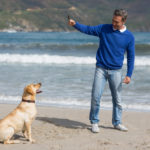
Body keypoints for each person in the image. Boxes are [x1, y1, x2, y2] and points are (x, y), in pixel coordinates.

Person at [68, 9, 135, 133]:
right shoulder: (104, 28)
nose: (113, 24)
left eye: (117, 22)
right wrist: (75, 24)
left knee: (118, 100)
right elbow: (88, 29)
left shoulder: (129, 37)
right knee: (95, 97)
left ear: (124, 21)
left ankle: (117, 122)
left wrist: (129, 75)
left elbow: (131, 57)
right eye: (113, 21)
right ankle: (94, 122)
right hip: (101, 69)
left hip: (116, 71)